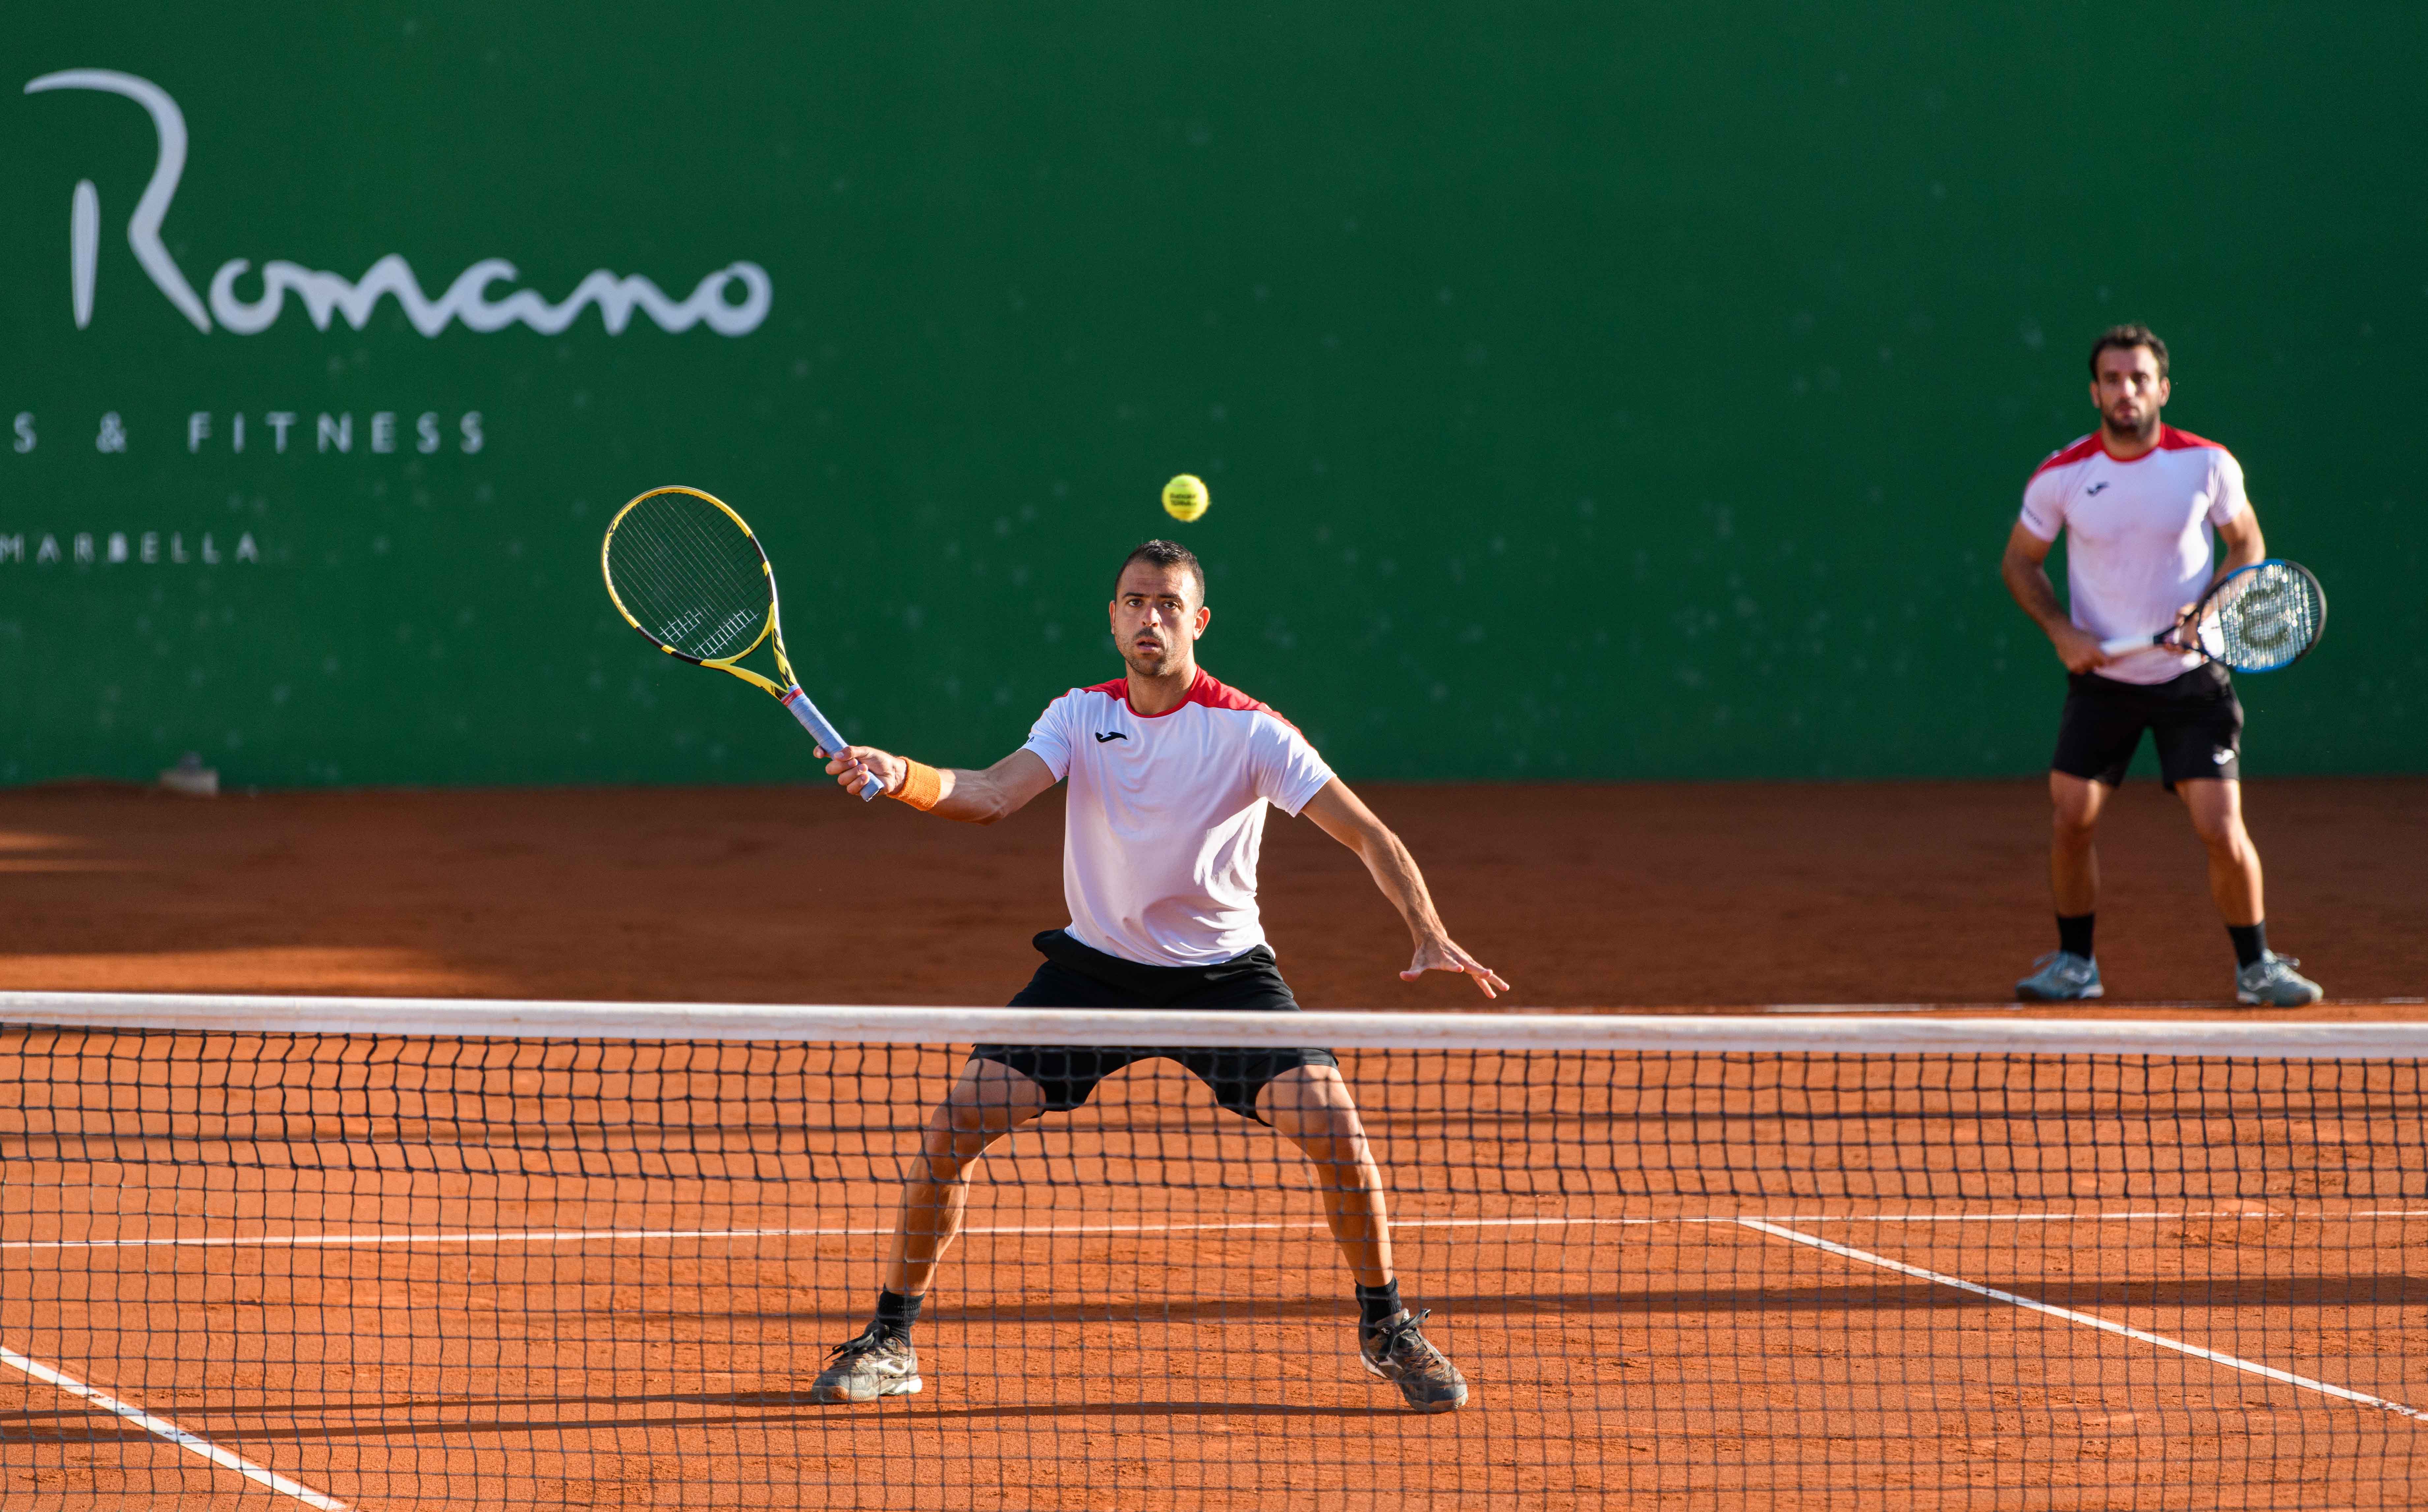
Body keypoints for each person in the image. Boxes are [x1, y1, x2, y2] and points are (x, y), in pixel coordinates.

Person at [806, 537, 1507, 1412]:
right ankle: (891, 1337)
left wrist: (1428, 929)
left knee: (1337, 1135)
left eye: (1168, 604)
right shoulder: (1075, 716)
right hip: (1093, 974)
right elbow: (988, 793)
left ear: (1197, 621)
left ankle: (1385, 1323)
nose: (1150, 617)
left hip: (1223, 981)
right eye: (1135, 601)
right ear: (1111, 617)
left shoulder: (1251, 731)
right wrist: (898, 773)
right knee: (953, 1128)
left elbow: (1369, 833)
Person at [1999, 324, 2321, 1007]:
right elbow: (2018, 563)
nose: (2126, 391)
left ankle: (2255, 966)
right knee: (2070, 817)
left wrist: (2206, 615)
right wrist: (2061, 631)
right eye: (2112, 379)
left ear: (2161, 388)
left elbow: (2246, 544)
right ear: (2094, 391)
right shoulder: (2061, 475)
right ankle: (2073, 964)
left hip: (2190, 681)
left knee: (2218, 825)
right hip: (2102, 683)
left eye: (2139, 378)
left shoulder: (2206, 464)